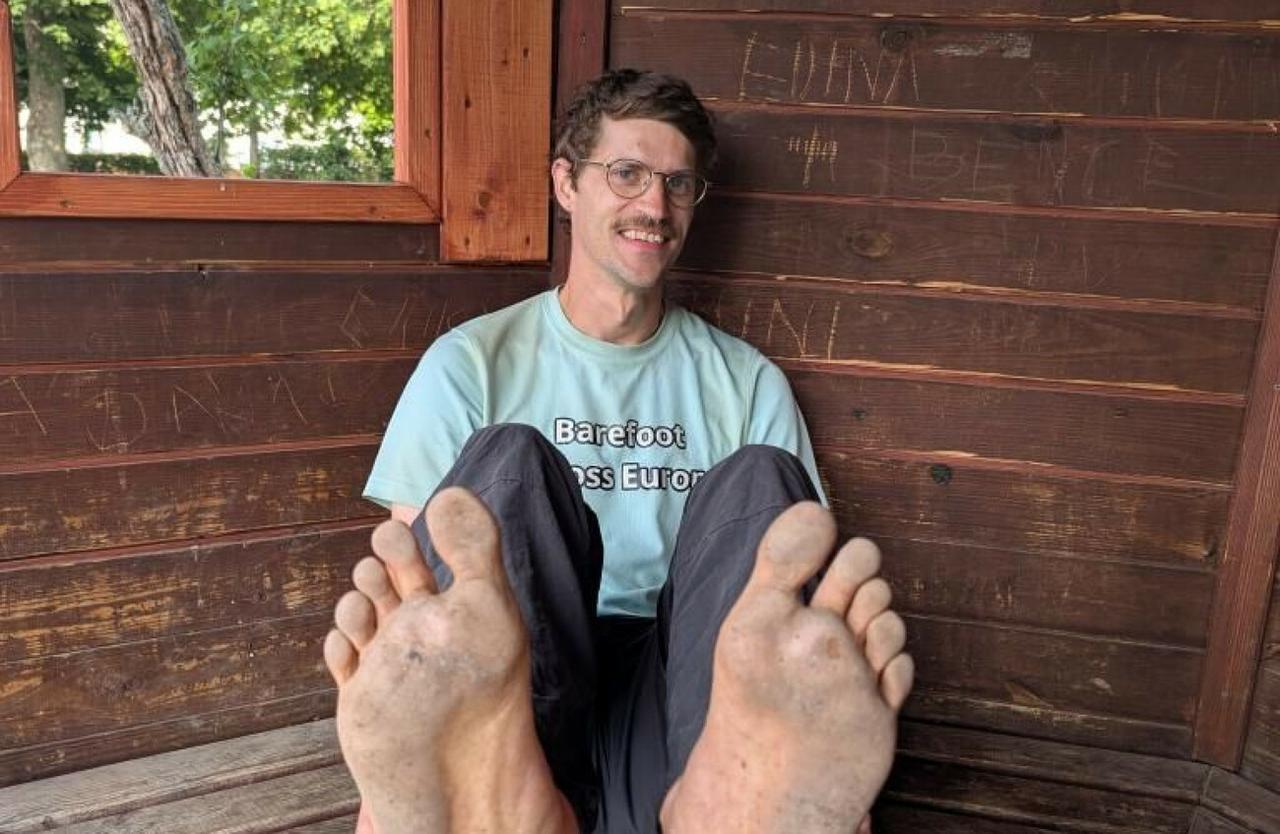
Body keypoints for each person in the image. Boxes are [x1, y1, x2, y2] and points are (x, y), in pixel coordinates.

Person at [322, 69, 914, 834]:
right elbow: (425, 597)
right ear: (566, 184)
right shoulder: (471, 363)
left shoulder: (743, 381)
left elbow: (784, 587)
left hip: (684, 684)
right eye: (627, 173)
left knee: (760, 480)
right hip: (521, 679)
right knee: (508, 459)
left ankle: (734, 791)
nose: (654, 206)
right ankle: (486, 789)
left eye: (677, 183)